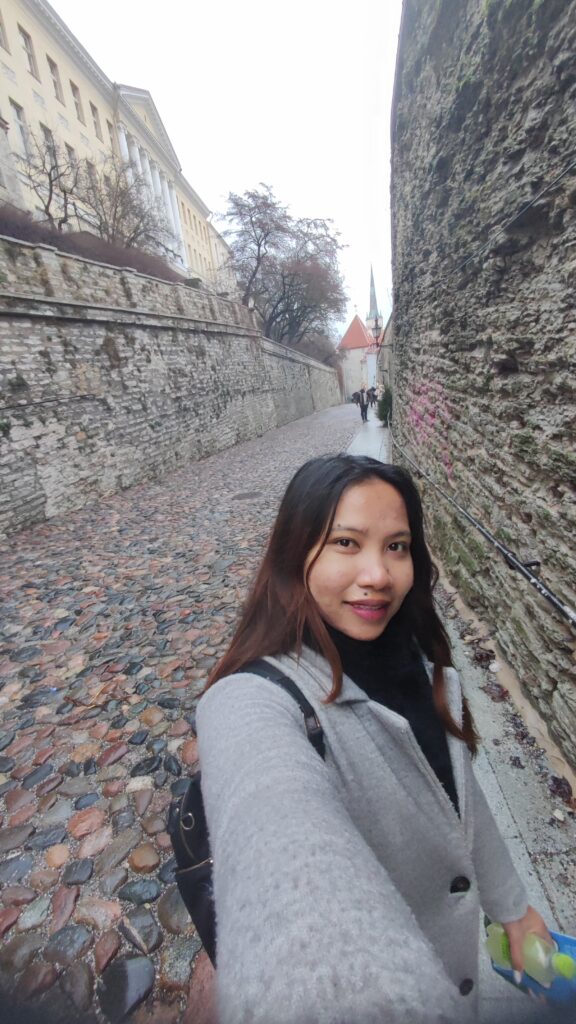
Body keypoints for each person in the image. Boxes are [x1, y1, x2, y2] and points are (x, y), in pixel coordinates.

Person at [196, 454, 550, 1024]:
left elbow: (458, 801)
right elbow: (275, 833)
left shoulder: (418, 659)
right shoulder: (253, 702)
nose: (379, 575)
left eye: (396, 546)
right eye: (346, 543)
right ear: (294, 552)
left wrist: (513, 906)